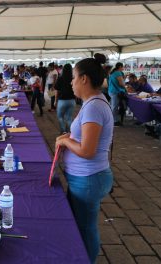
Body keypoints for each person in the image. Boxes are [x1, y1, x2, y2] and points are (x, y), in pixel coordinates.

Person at [55, 54, 113, 264]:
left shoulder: (94, 107)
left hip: (88, 178)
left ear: (84, 79)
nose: (71, 82)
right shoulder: (92, 104)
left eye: (73, 77)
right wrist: (69, 137)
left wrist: (65, 142)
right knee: (81, 225)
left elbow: (87, 150)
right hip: (85, 177)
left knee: (85, 228)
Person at [54, 63, 75, 133]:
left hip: (62, 101)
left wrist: (55, 101)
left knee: (60, 117)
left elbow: (56, 91)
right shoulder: (73, 79)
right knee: (69, 118)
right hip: (72, 101)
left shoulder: (60, 78)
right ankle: (70, 132)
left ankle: (63, 132)